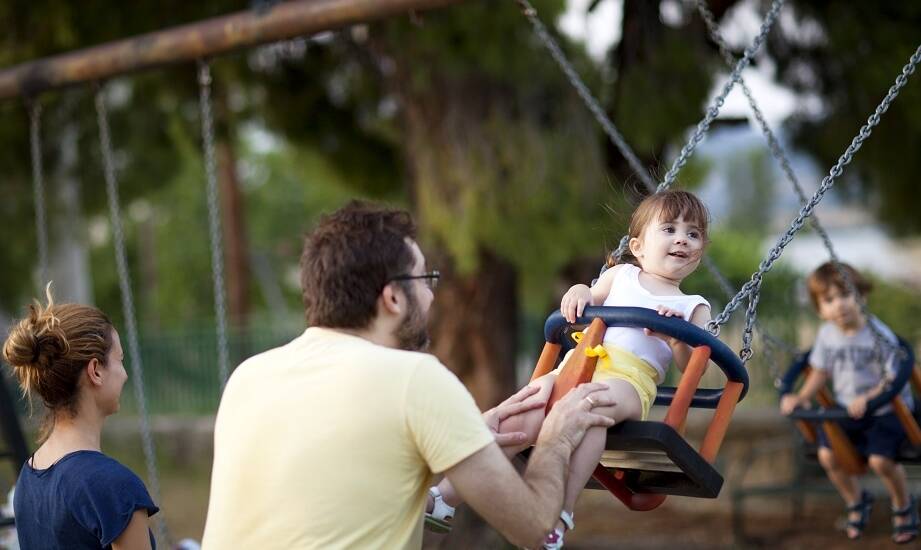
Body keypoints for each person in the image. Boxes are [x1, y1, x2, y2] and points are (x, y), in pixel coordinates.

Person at [201, 201, 616, 550]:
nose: (433, 295)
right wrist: (556, 440)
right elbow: (537, 530)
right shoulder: (414, 378)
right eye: (426, 279)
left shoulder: (250, 376)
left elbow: (356, 512)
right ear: (394, 297)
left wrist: (464, 445)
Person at [430, 190, 713, 548]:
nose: (681, 240)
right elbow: (590, 294)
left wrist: (676, 339)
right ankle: (444, 497)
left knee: (585, 407)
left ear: (700, 251)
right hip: (577, 364)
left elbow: (695, 367)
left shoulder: (693, 306)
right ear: (638, 246)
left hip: (628, 380)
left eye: (693, 234)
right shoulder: (621, 274)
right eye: (670, 229)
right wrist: (579, 291)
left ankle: (559, 515)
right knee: (516, 414)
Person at [2, 286, 159, 549]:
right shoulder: (113, 488)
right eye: (120, 360)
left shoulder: (28, 477)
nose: (125, 374)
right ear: (95, 370)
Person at [780, 261, 918, 544]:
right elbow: (820, 372)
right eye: (829, 300)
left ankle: (903, 505)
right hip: (848, 410)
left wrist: (869, 398)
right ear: (820, 309)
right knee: (827, 456)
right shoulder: (827, 335)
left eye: (846, 295)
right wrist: (801, 397)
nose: (840, 305)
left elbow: (894, 377)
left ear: (862, 297)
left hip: (886, 409)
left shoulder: (878, 334)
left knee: (881, 461)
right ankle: (857, 500)